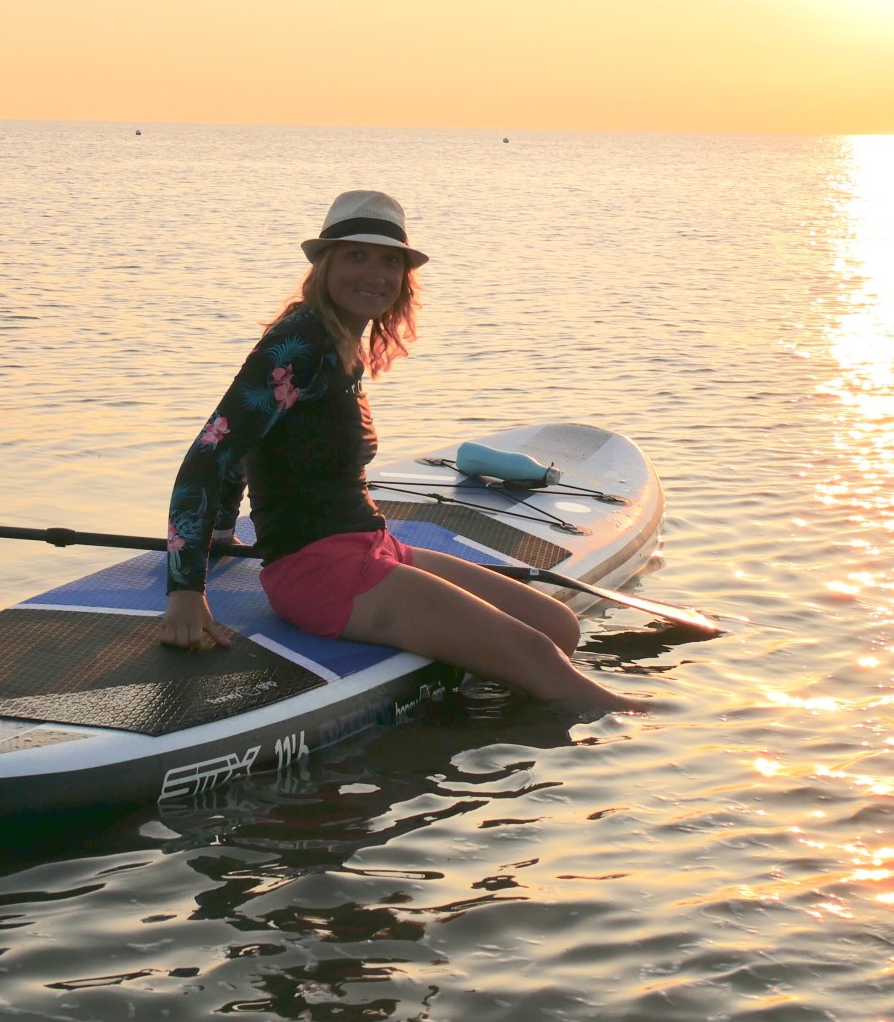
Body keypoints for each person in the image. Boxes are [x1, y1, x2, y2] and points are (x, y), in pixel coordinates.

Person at [155, 191, 653, 713]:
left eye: (390, 261)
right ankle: (646, 723)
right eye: (357, 256)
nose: (375, 274)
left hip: (371, 545)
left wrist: (221, 531)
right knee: (539, 658)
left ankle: (488, 717)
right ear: (325, 265)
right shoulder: (299, 344)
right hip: (319, 571)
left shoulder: (338, 337)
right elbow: (209, 456)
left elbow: (252, 439)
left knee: (557, 626)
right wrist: (185, 589)